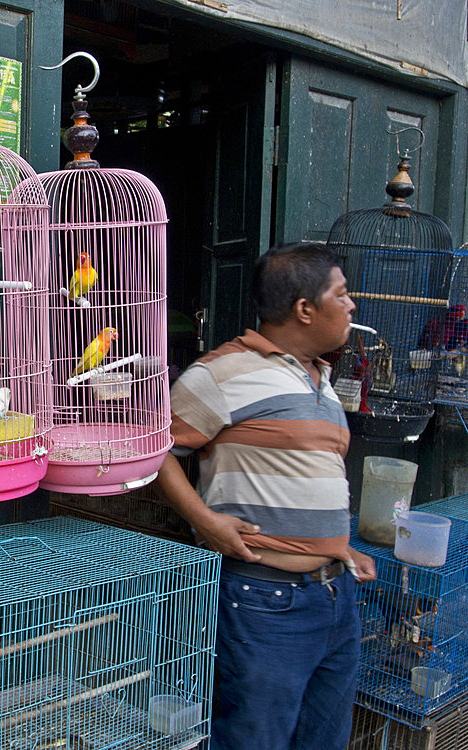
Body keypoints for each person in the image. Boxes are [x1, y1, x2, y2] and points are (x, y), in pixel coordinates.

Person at [155, 242, 376, 750]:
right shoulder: (220, 374)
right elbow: (154, 450)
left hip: (336, 598)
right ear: (305, 308)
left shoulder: (320, 376)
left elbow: (303, 473)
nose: (351, 306)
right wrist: (205, 520)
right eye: (341, 295)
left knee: (324, 739)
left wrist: (335, 546)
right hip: (264, 602)